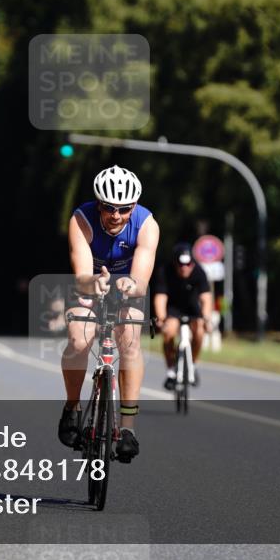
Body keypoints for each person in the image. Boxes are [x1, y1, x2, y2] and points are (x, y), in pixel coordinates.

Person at [61, 165, 159, 463]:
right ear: (99, 204)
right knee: (79, 339)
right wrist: (93, 282)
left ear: (134, 206)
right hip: (90, 282)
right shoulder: (81, 220)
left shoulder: (147, 225)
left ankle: (127, 428)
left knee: (130, 339)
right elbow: (81, 275)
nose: (116, 215)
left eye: (125, 209)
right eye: (109, 207)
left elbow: (141, 279)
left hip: (127, 285)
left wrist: (131, 285)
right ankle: (72, 407)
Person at [153, 242, 213, 389]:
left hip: (192, 307)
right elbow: (160, 297)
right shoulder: (165, 271)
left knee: (199, 331)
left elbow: (206, 297)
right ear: (175, 263)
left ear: (193, 263)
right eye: (181, 265)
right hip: (173, 308)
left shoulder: (199, 271)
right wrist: (161, 318)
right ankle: (171, 371)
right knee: (169, 332)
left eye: (188, 264)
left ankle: (193, 364)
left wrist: (207, 318)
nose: (184, 268)